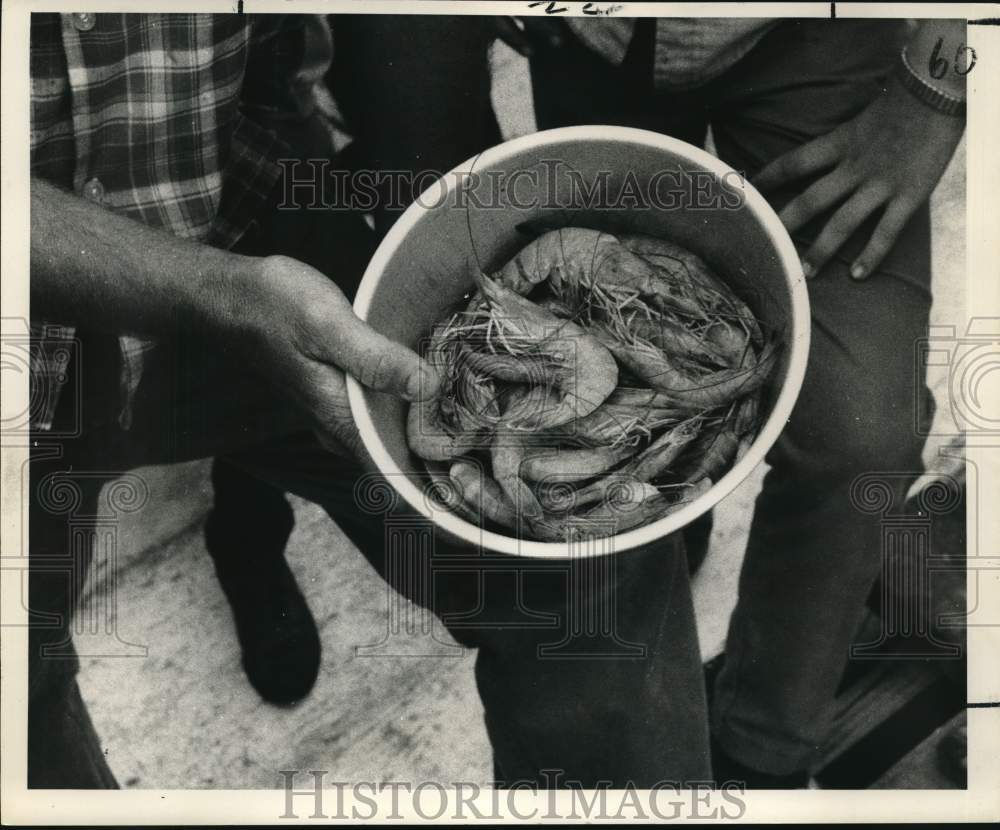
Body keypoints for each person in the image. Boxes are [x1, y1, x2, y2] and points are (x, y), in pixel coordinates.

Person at [28, 11, 710, 789]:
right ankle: (249, 539)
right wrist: (218, 293)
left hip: (241, 209)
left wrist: (437, 162)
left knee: (594, 571)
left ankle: (244, 521)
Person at [332, 13, 967, 786]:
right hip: (601, 37)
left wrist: (935, 90)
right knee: (614, 547)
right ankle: (668, 520)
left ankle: (763, 751)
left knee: (866, 437)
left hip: (821, 29)